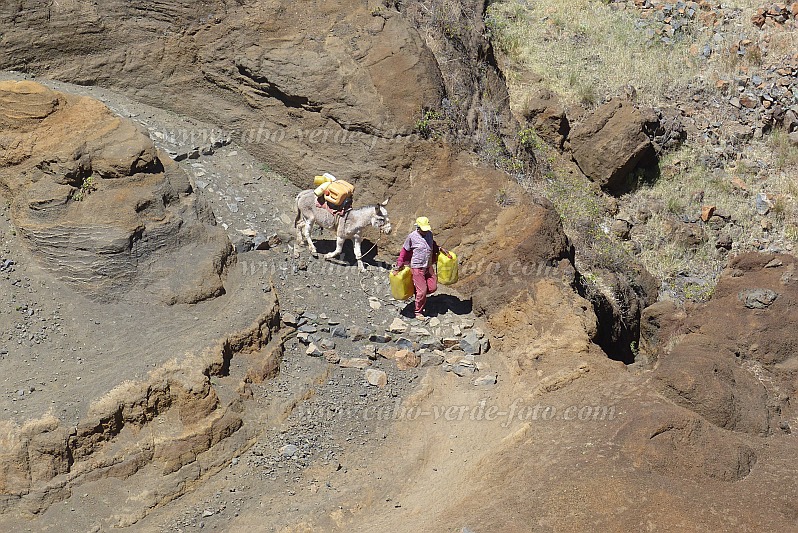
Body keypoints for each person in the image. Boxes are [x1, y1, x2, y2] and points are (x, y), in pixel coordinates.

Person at [393, 216, 450, 320]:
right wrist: (398, 265)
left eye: (426, 229)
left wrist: (440, 249)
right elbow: (404, 251)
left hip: (428, 265)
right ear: (417, 228)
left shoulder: (429, 234)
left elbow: (432, 244)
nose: (425, 232)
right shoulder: (412, 237)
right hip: (417, 267)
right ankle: (418, 311)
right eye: (423, 230)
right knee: (422, 291)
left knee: (433, 287)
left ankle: (418, 293)